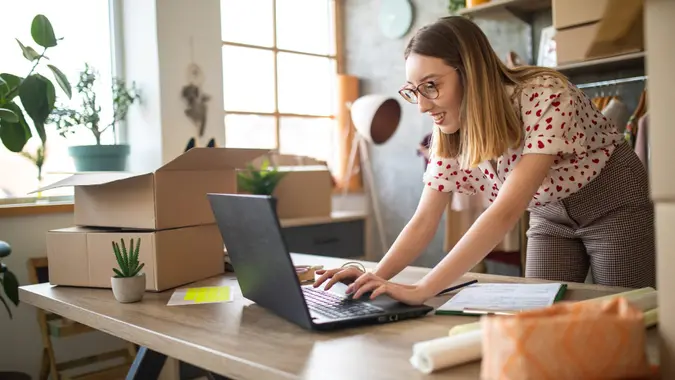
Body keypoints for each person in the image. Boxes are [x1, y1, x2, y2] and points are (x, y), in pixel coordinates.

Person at [314, 16, 655, 305]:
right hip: (549, 215)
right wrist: (372, 276)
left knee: (628, 310)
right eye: (415, 90)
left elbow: (505, 211)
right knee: (538, 314)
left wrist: (422, 289)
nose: (422, 105)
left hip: (611, 202)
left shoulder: (547, 95)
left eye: (431, 86)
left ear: (471, 73)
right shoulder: (449, 132)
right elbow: (424, 219)